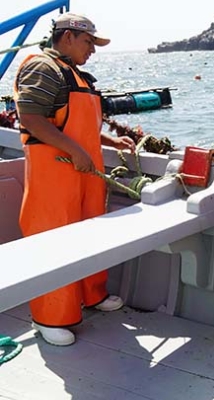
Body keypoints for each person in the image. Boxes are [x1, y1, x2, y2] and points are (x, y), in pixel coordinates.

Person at [13, 13, 135, 346]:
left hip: (85, 177)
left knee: (89, 235)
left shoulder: (77, 75)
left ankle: (91, 295)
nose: (92, 50)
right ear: (67, 37)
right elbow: (32, 119)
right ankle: (48, 317)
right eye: (88, 42)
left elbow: (77, 124)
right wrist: (76, 152)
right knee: (52, 242)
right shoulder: (43, 68)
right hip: (54, 177)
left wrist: (111, 141)